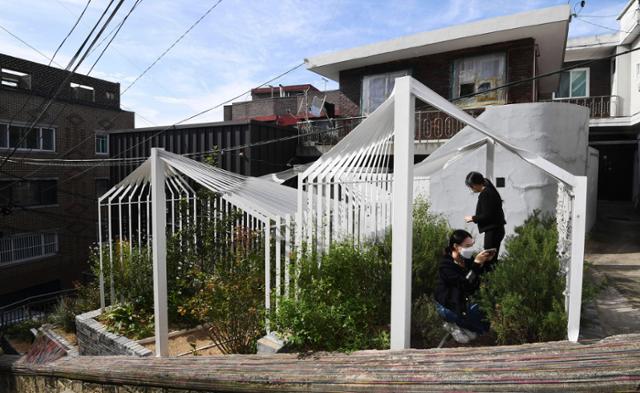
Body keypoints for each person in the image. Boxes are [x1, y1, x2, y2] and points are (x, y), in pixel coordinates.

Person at [435, 229, 493, 343]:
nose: (470, 249)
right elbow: (464, 284)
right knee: (470, 335)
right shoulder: (446, 265)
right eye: (467, 246)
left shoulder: (467, 261)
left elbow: (475, 280)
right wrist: (476, 265)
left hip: (462, 301)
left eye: (472, 245)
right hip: (448, 304)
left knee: (482, 328)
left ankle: (460, 326)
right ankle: (451, 324)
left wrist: (484, 262)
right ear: (456, 246)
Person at [464, 171, 506, 269]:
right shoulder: (490, 191)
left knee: (488, 259)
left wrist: (473, 218)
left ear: (476, 184)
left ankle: (489, 281)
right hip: (496, 229)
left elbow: (488, 215)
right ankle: (493, 279)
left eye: (471, 186)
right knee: (492, 258)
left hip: (493, 231)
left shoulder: (486, 193)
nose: (471, 189)